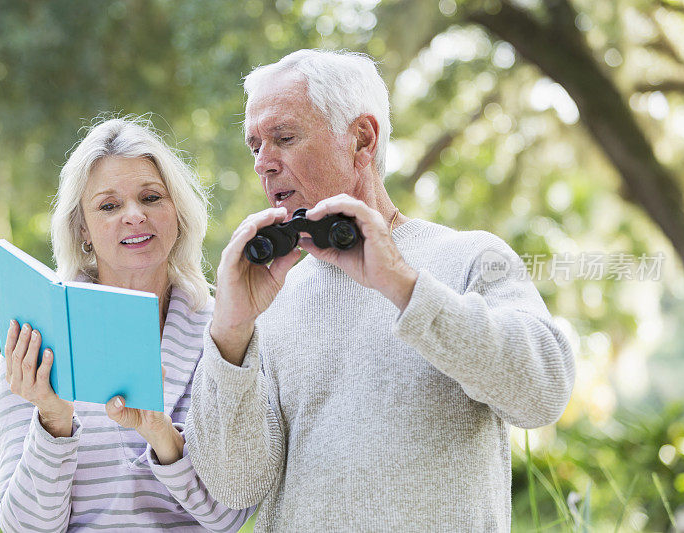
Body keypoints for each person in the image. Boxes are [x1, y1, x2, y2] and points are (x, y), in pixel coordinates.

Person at [185, 50, 575, 531]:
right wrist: (230, 330)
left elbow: (544, 394)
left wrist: (403, 286)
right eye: (254, 146)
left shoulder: (471, 257)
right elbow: (235, 484)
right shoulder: (267, 297)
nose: (264, 164)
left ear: (361, 139)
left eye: (284, 138)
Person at [0, 117, 252, 532]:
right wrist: (54, 421)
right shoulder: (37, 339)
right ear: (84, 230)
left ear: (177, 213)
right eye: (109, 206)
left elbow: (230, 515)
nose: (134, 216)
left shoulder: (222, 333)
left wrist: (161, 435)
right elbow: (24, 528)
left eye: (151, 198)